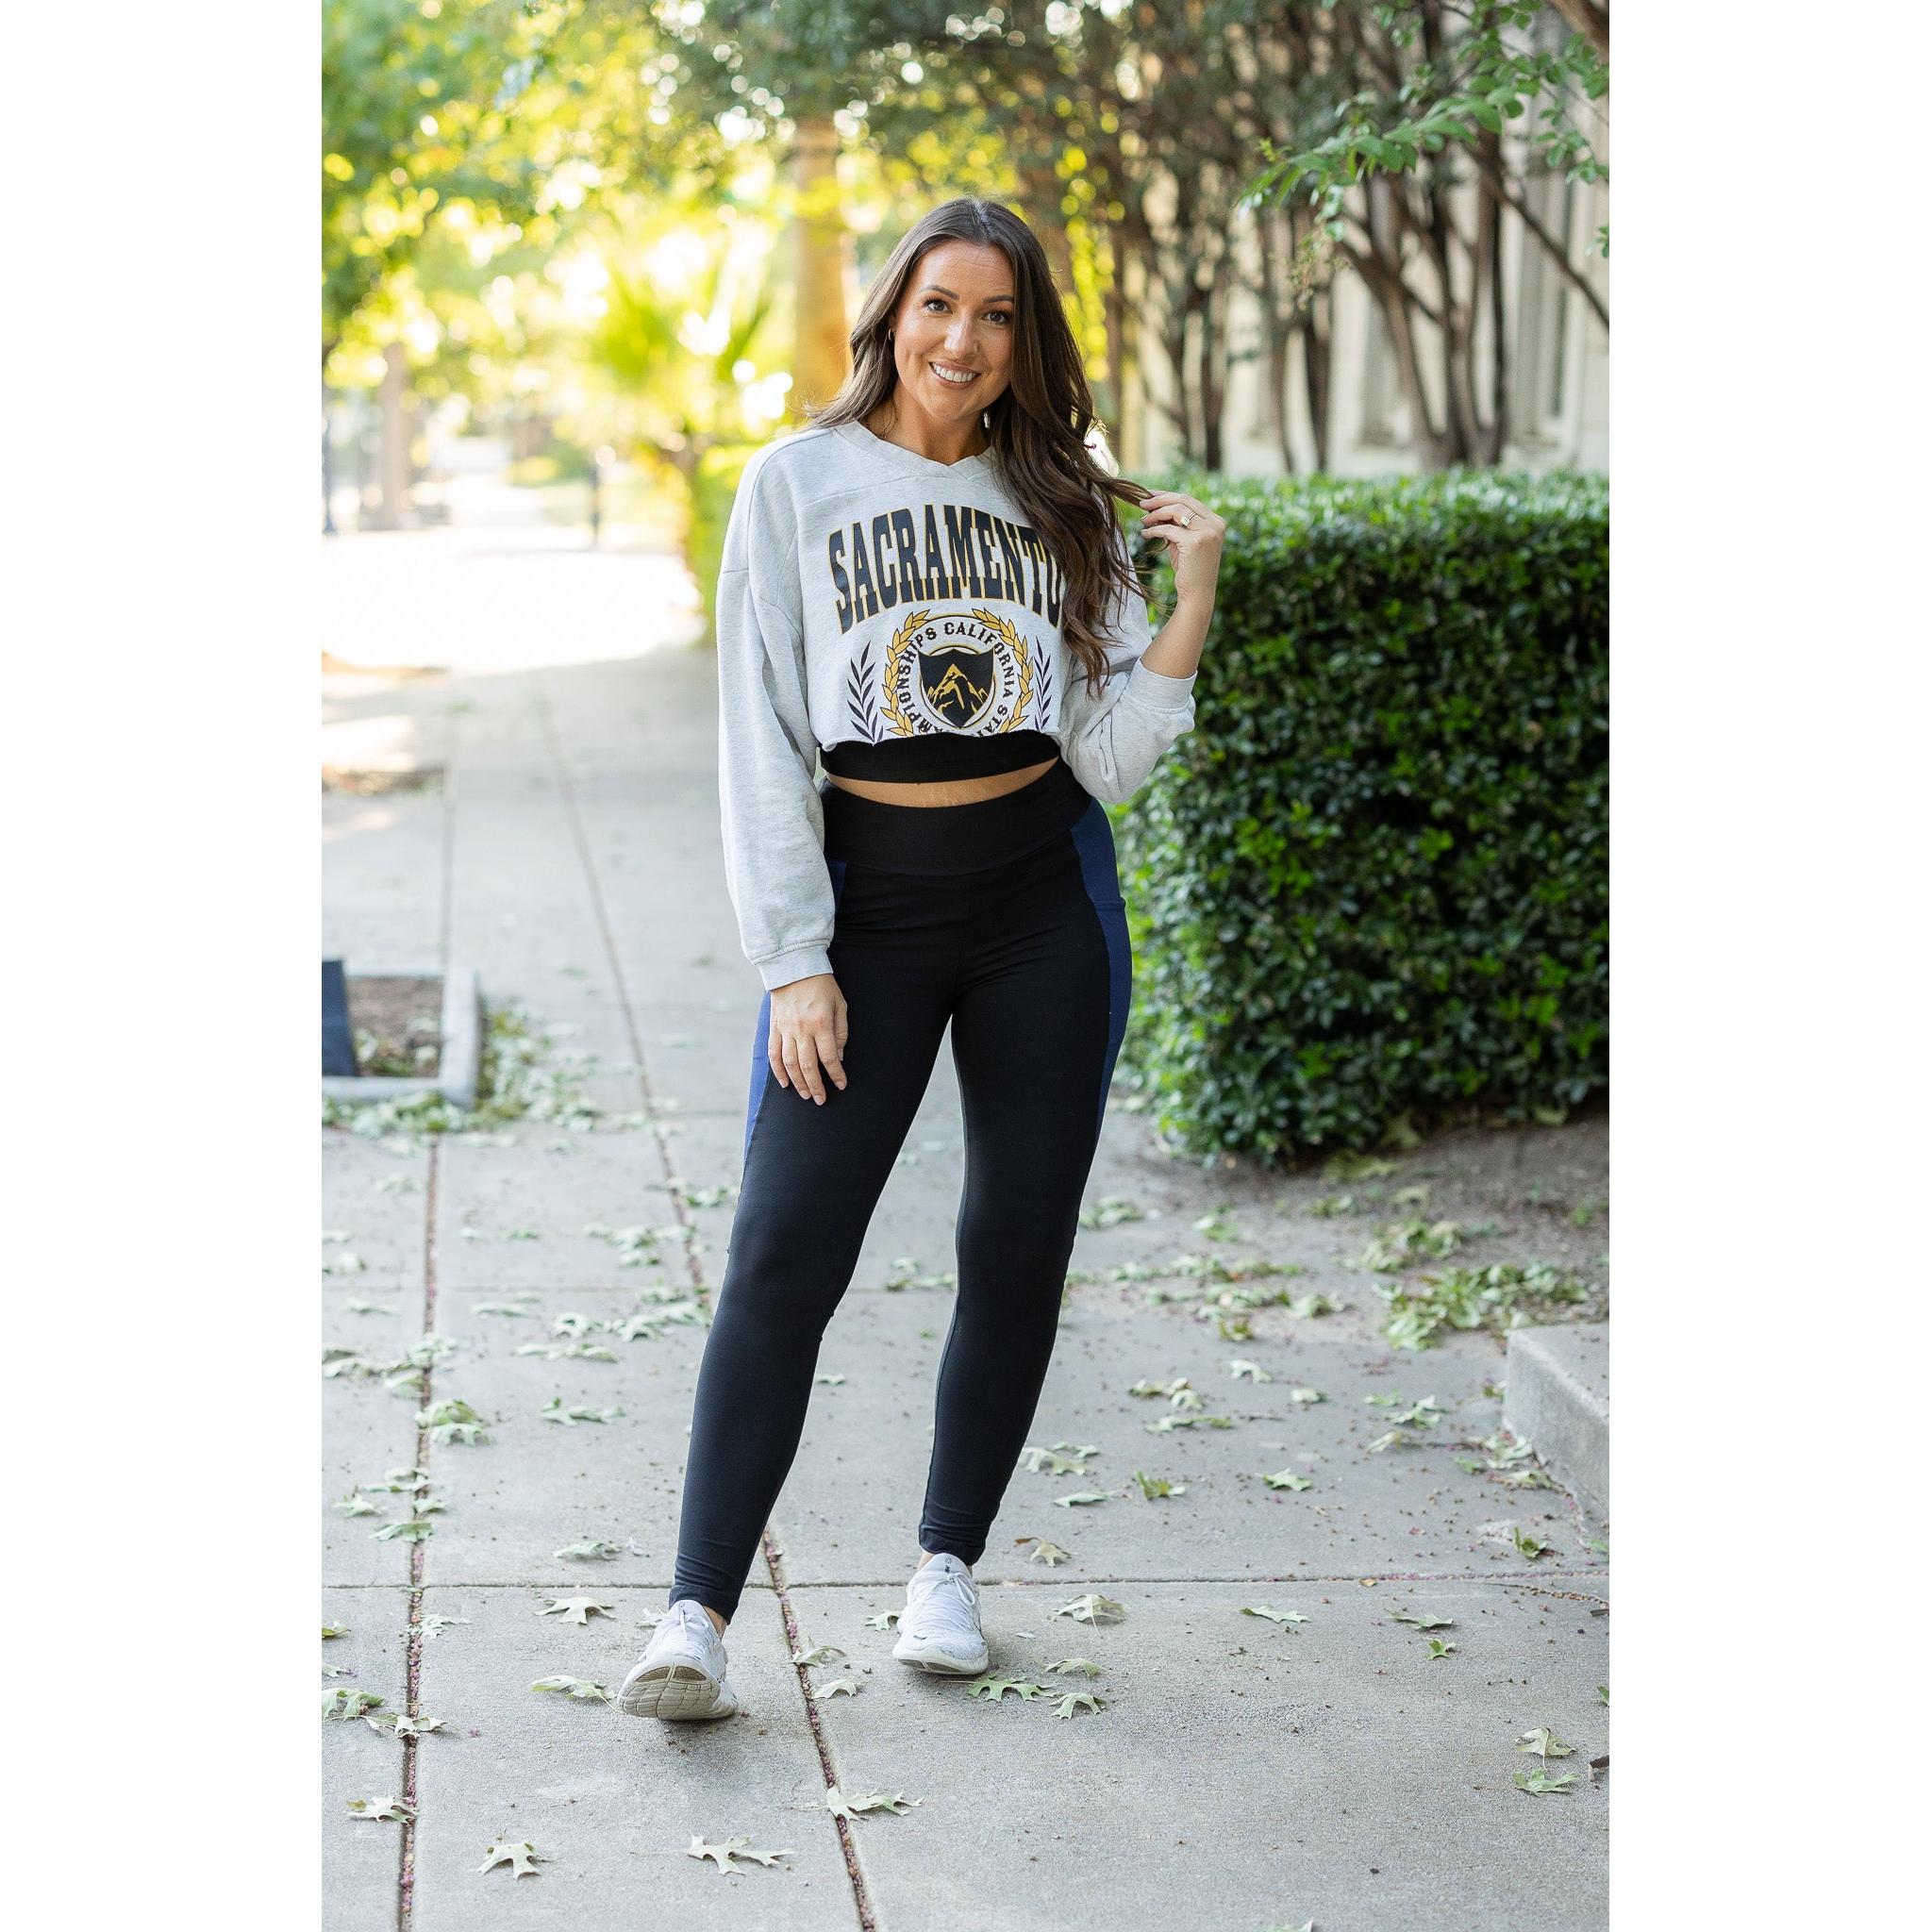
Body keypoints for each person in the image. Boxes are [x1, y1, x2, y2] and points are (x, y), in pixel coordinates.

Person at [619, 195, 1224, 1722]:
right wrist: (793, 961)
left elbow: (1108, 757)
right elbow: (761, 739)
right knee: (782, 1254)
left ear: (1028, 340)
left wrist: (1193, 600)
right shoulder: (796, 484)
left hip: (1043, 908)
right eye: (939, 305)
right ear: (891, 314)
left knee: (1015, 1245)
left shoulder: (1064, 497)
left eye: (998, 315)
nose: (964, 339)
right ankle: (695, 1616)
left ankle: (947, 1566)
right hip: (864, 918)